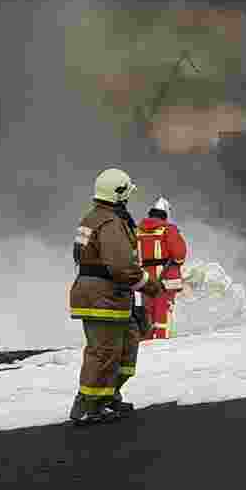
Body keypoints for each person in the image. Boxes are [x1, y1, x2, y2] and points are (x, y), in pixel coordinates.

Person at [69, 168, 165, 425]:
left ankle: (108, 396)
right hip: (104, 297)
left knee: (127, 343)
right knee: (103, 352)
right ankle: (88, 406)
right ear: (118, 194)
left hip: (107, 295)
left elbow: (81, 255)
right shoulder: (110, 223)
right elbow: (121, 267)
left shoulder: (93, 218)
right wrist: (150, 285)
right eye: (127, 193)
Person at [136, 196, 188, 340]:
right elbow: (179, 255)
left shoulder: (138, 231)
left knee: (147, 312)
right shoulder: (168, 229)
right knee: (163, 313)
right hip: (166, 280)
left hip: (145, 279)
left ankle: (146, 341)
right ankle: (161, 343)